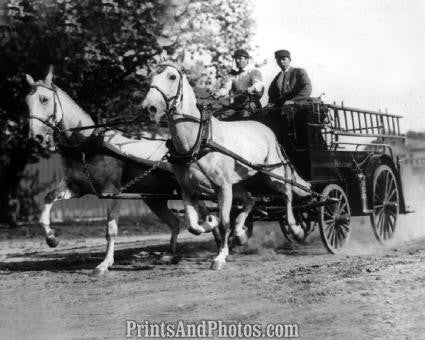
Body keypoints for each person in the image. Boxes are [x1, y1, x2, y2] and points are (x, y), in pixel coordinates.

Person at [215, 49, 264, 118]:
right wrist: (218, 93)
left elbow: (258, 84)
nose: (237, 61)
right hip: (236, 105)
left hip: (250, 104)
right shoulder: (233, 75)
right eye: (236, 59)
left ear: (247, 60)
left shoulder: (254, 72)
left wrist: (252, 88)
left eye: (240, 58)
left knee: (243, 116)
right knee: (218, 116)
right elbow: (226, 88)